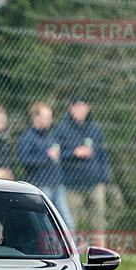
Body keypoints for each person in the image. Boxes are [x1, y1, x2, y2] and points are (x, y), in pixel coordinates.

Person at [54, 96, 110, 232]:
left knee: (99, 225)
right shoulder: (61, 128)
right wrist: (74, 153)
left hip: (94, 184)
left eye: (83, 106)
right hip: (71, 185)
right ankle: (73, 252)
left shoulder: (95, 129)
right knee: (70, 224)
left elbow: (103, 155)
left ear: (88, 108)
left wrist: (104, 180)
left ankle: (101, 253)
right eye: (76, 106)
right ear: (71, 109)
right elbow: (55, 154)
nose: (80, 110)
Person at [17, 102, 74, 230]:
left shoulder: (51, 135)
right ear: (36, 117)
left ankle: (72, 248)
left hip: (57, 184)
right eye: (46, 117)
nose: (50, 120)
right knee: (44, 221)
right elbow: (24, 159)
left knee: (66, 219)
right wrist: (46, 156)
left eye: (50, 117)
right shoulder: (28, 137)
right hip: (42, 185)